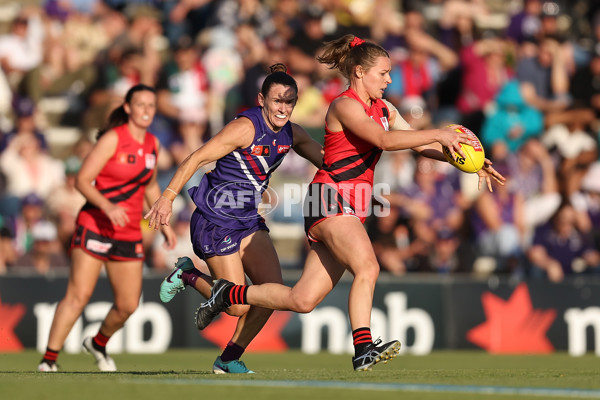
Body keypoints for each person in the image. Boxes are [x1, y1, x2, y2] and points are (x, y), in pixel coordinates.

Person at [191, 35, 506, 371]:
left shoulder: (386, 109)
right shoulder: (344, 105)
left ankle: (226, 295)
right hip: (329, 197)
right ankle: (363, 349)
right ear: (359, 72)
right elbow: (384, 140)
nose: (388, 80)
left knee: (302, 299)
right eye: (383, 73)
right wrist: (439, 134)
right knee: (368, 267)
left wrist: (465, 160)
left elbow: (417, 147)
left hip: (349, 205)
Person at [144, 64, 323, 374]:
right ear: (261, 99)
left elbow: (326, 159)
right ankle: (187, 275)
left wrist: (359, 170)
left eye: (289, 101)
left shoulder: (292, 133)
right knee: (238, 305)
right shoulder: (245, 128)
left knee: (271, 293)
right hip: (216, 220)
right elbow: (197, 157)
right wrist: (167, 197)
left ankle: (228, 359)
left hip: (248, 220)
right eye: (277, 100)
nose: (283, 107)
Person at [37, 84, 176, 372]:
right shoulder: (113, 139)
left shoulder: (152, 143)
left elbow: (149, 183)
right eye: (141, 104)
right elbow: (82, 180)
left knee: (128, 305)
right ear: (127, 108)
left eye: (151, 105)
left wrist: (163, 222)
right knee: (78, 295)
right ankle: (49, 360)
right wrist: (108, 206)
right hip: (96, 224)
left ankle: (98, 343)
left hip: (128, 232)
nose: (147, 110)